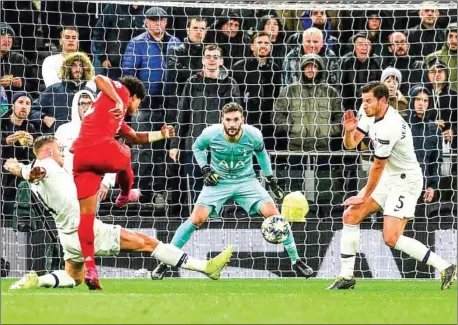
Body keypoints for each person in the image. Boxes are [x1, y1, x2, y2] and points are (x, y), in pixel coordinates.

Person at [4, 136, 233, 290]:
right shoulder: (48, 165)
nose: (62, 152)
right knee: (147, 243)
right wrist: (25, 170)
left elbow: (30, 171)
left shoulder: (47, 170)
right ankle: (205, 267)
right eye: (59, 149)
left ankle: (38, 280)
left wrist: (16, 166)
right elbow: (36, 171)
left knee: (75, 277)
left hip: (67, 235)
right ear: (50, 150)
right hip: (87, 230)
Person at [152, 103, 313, 280]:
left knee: (274, 215)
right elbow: (197, 148)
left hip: (247, 181)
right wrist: (205, 169)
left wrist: (271, 179)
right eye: (228, 120)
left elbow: (262, 154)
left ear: (242, 119)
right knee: (196, 218)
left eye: (236, 120)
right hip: (218, 182)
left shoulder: (253, 135)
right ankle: (166, 261)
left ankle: (296, 261)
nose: (232, 124)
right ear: (222, 120)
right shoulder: (210, 133)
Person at [327, 82, 456, 290]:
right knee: (350, 215)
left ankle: (445, 266)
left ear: (383, 101)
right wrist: (349, 131)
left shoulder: (391, 126)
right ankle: (346, 276)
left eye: (369, 101)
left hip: (406, 180)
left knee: (390, 237)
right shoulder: (367, 112)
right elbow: (351, 145)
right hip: (389, 176)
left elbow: (377, 167)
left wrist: (363, 196)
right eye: (363, 101)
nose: (365, 105)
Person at [70, 74, 175, 290]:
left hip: (81, 157)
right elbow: (99, 78)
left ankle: (90, 267)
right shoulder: (121, 92)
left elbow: (136, 136)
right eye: (139, 103)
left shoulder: (112, 116)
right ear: (134, 97)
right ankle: (126, 193)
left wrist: (161, 135)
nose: (136, 107)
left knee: (87, 218)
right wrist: (120, 99)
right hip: (99, 149)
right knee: (125, 152)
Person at [55, 90, 115, 201]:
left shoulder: (103, 130)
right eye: (82, 103)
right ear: (75, 106)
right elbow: (54, 157)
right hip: (66, 186)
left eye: (89, 103)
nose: (86, 107)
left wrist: (106, 183)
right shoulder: (63, 130)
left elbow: (112, 158)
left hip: (92, 187)